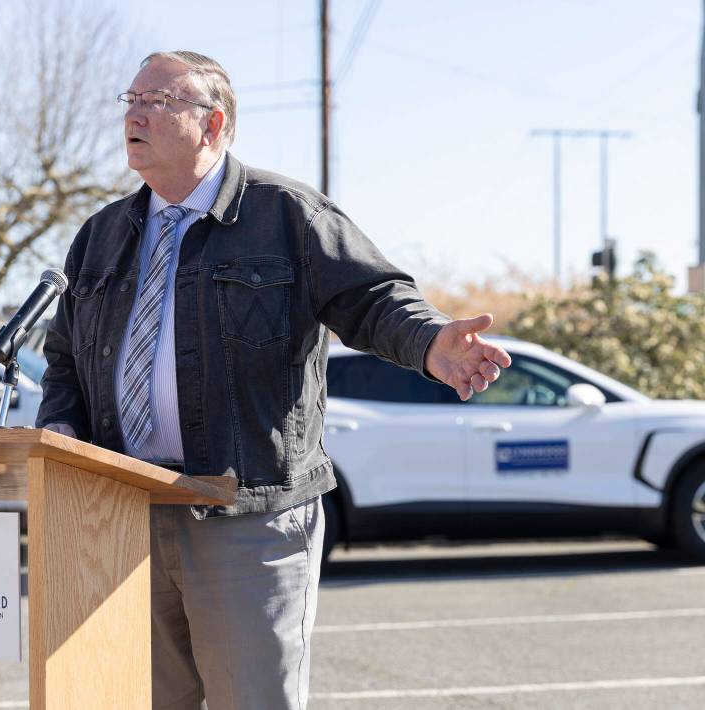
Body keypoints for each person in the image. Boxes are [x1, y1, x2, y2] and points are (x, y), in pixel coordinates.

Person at [35, 50, 511, 710]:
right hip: (125, 515)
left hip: (246, 514)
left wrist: (431, 342)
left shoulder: (285, 214)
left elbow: (373, 299)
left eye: (159, 102)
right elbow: (64, 359)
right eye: (131, 101)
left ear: (212, 124)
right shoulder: (102, 235)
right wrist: (58, 431)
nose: (136, 115)